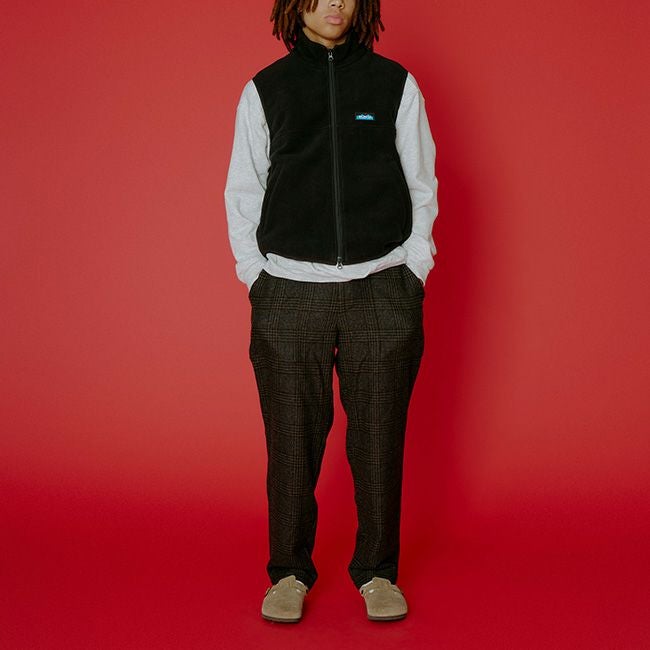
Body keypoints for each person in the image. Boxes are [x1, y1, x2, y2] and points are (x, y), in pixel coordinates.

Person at [224, 0, 438, 623]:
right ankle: (288, 573)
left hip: (383, 287)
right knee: (291, 443)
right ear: (295, 5)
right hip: (290, 291)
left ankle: (377, 572)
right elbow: (244, 189)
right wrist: (257, 277)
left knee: (379, 440)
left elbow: (421, 183)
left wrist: (413, 268)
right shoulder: (266, 89)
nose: (334, 3)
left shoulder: (394, 84)